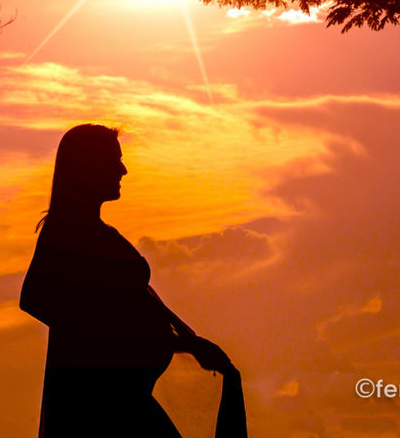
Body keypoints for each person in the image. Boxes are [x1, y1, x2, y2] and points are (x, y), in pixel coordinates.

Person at [20, 123, 239, 437]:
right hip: (101, 406)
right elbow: (38, 299)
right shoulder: (66, 234)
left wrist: (186, 344)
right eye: (114, 159)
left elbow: (135, 310)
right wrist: (117, 338)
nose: (123, 169)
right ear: (89, 166)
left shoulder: (100, 235)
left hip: (128, 398)